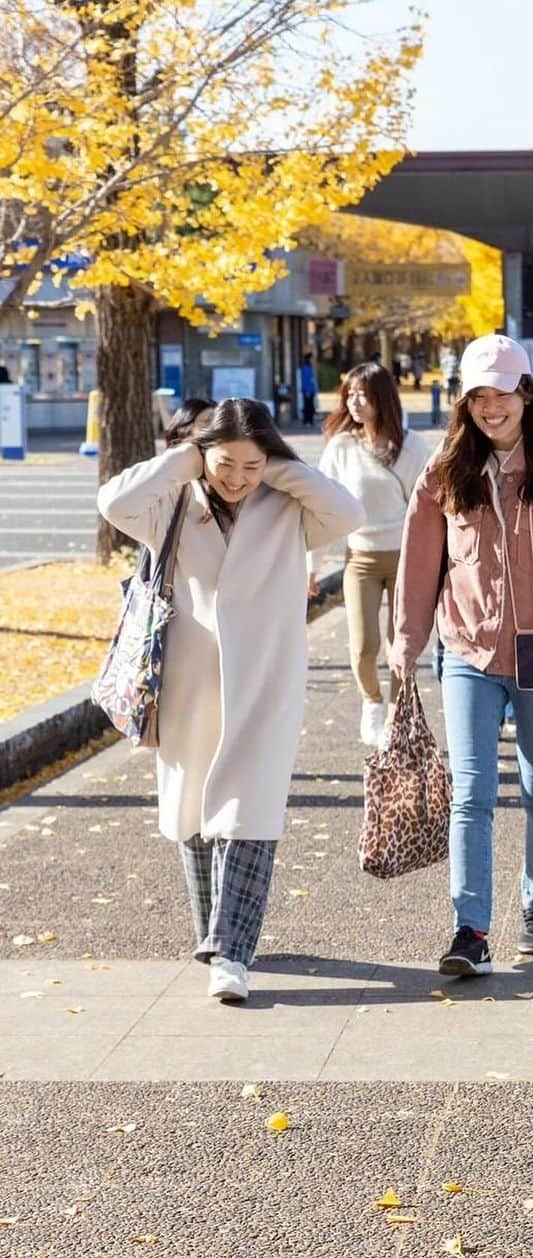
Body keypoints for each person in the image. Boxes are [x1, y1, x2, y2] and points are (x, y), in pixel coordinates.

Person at [97, 399, 363, 1003]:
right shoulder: (173, 503)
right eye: (226, 464)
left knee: (250, 812)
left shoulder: (289, 507)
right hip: (187, 686)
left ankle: (230, 953)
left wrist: (276, 468)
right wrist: (186, 462)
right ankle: (211, 937)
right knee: (193, 813)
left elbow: (347, 511)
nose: (237, 478)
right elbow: (113, 501)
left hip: (266, 683)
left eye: (251, 465)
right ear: (201, 454)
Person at [391, 334, 533, 977]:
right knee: (473, 793)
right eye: (478, 395)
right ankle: (471, 928)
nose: (492, 407)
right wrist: (405, 641)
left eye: (502, 392)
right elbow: (420, 561)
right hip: (468, 650)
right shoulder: (446, 469)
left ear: (527, 393)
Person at [309, 362, 431, 746]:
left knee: (402, 645)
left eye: (363, 394)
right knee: (364, 645)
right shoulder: (341, 448)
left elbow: (427, 509)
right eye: (350, 394)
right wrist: (312, 568)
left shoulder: (413, 447)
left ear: (383, 398)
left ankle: (397, 712)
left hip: (404, 560)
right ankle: (372, 703)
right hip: (359, 558)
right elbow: (321, 508)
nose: (355, 402)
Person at [299, 353, 318, 427]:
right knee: (307, 406)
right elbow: (305, 380)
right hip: (307, 391)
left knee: (311, 406)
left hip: (311, 390)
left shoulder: (310, 367)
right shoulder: (305, 368)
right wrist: (307, 390)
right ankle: (307, 421)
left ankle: (310, 420)